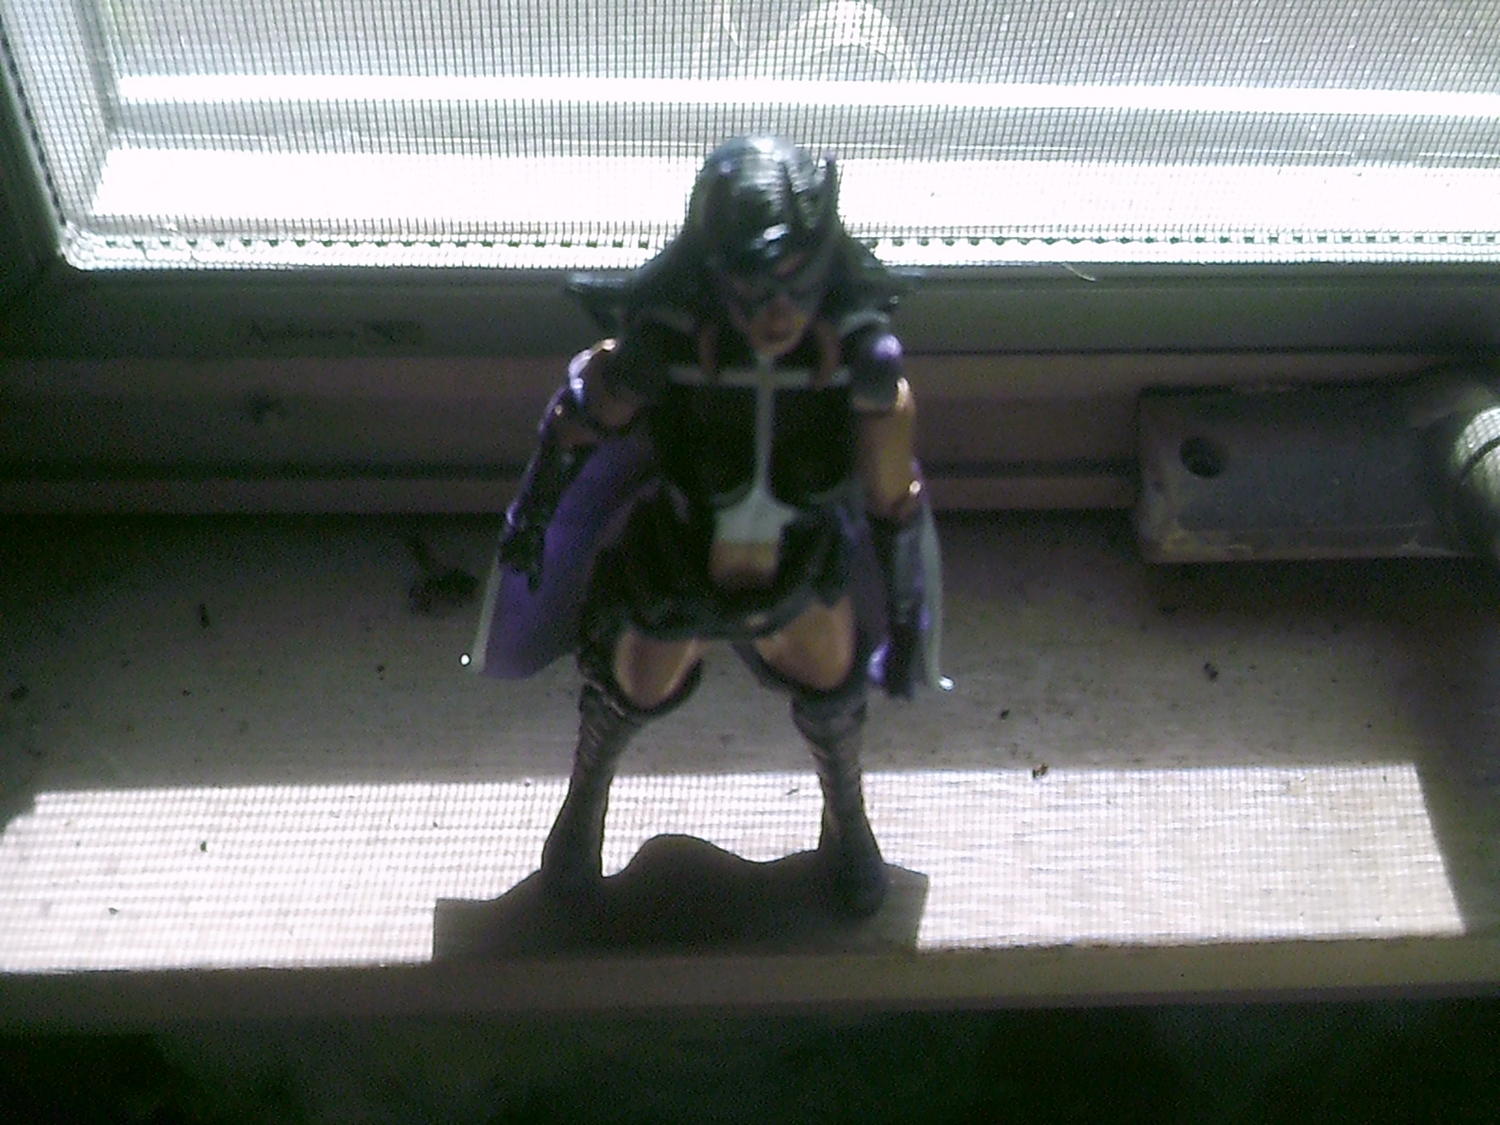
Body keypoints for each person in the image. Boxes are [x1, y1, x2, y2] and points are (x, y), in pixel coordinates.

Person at [471, 135, 940, 916]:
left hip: (797, 563)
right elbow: (582, 426)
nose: (777, 312)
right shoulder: (670, 351)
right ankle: (583, 809)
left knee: (833, 689)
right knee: (629, 685)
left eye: (795, 283)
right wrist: (582, 424)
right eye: (754, 287)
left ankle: (848, 820)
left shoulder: (860, 371)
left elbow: (894, 493)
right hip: (681, 557)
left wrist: (902, 593)